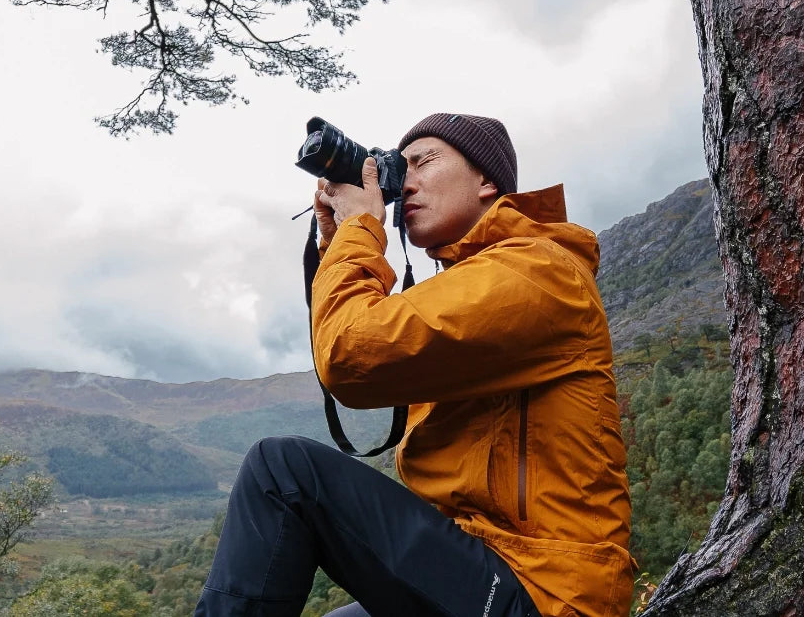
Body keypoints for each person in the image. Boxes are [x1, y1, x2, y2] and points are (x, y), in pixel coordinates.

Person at [193, 113, 635, 617]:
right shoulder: (472, 289)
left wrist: (362, 227)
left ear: (488, 181)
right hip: (487, 565)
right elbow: (359, 339)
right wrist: (341, 239)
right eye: (399, 169)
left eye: (424, 161)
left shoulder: (539, 271)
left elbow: (350, 354)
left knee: (282, 470)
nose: (407, 183)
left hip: (546, 593)